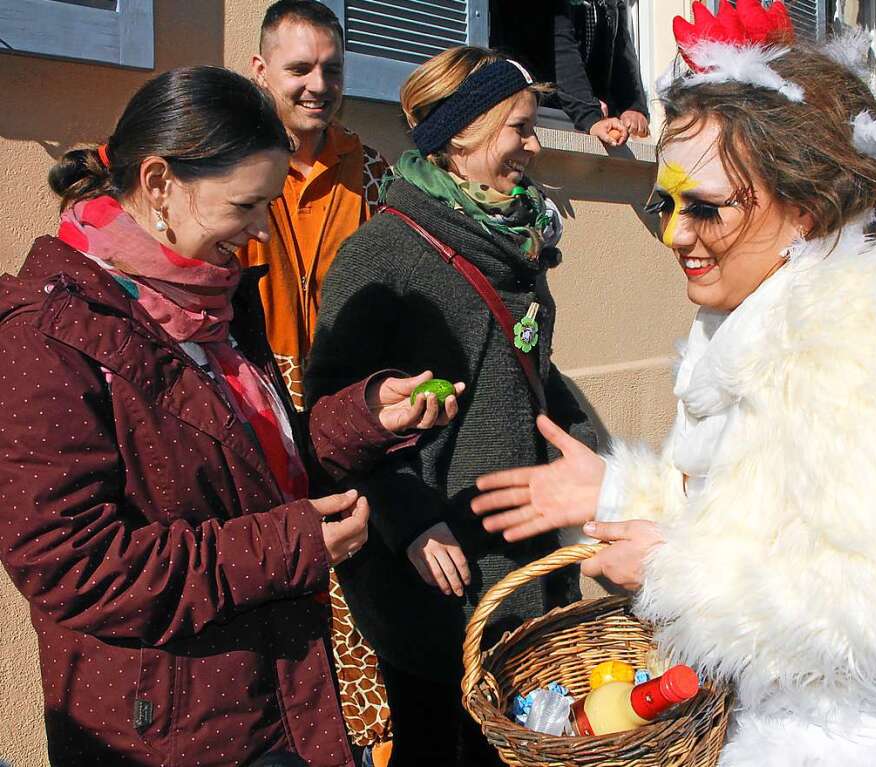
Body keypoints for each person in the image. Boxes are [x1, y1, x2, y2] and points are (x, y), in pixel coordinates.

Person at [472, 2, 876, 764]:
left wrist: (669, 572)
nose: (674, 234)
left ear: (801, 209)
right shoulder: (758, 316)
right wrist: (616, 493)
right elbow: (760, 519)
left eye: (707, 208)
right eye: (666, 204)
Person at [0, 66, 454, 767]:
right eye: (246, 207)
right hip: (166, 733)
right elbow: (77, 567)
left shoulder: (215, 302)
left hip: (275, 698)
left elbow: (253, 470)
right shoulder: (45, 335)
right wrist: (288, 544)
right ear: (158, 186)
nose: (263, 233)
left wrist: (366, 417)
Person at [304, 46, 596, 766]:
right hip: (435, 577)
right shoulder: (382, 256)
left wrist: (602, 463)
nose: (535, 144)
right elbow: (330, 423)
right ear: (460, 135)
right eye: (519, 128)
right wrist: (407, 517)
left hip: (519, 561)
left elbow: (532, 374)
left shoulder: (513, 241)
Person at [243, 0, 389, 412]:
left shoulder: (373, 171)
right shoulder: (229, 165)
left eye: (332, 69)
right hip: (251, 399)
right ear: (260, 70)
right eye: (299, 69)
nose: (320, 85)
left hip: (348, 401)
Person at [553, 0, 651, 146]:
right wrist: (589, 113)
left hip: (591, 116)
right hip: (547, 115)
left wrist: (632, 106)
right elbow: (560, 48)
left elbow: (621, 46)